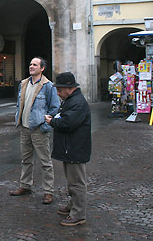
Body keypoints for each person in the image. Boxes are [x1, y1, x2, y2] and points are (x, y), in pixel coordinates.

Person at [10, 57, 60, 204]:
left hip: (39, 129)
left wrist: (45, 126)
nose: (31, 66)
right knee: (26, 160)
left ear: (42, 68)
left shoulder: (48, 86)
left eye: (35, 64)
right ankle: (25, 185)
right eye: (30, 64)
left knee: (45, 162)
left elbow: (55, 108)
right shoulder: (23, 84)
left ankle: (48, 191)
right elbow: (20, 105)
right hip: (24, 128)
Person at [45, 71, 91, 227]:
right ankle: (73, 206)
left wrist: (52, 122)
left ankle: (78, 214)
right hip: (70, 148)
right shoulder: (71, 100)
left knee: (77, 182)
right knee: (72, 181)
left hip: (75, 148)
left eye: (60, 89)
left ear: (69, 88)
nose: (58, 93)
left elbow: (67, 123)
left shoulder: (77, 102)